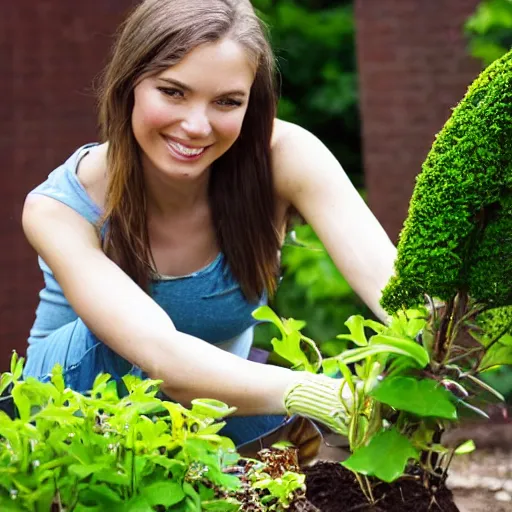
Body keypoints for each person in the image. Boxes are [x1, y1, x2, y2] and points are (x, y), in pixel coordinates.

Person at [21, 0, 396, 447]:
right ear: (130, 85)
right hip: (69, 408)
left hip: (205, 405)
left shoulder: (286, 157)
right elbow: (162, 357)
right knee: (123, 342)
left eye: (227, 101)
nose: (197, 126)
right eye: (173, 92)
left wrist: (421, 354)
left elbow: (393, 285)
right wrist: (321, 393)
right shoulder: (59, 207)